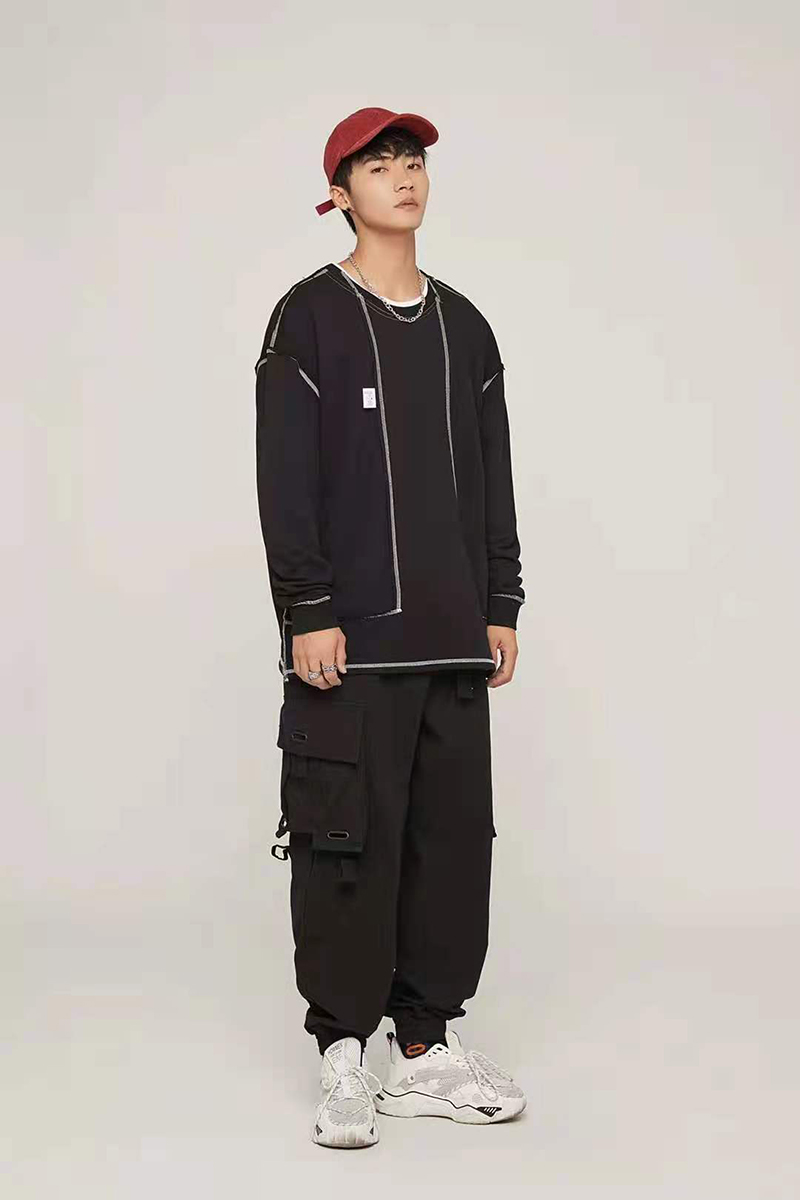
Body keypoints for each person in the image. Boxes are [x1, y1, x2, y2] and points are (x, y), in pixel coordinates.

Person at [254, 107, 527, 1148]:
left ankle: (423, 1047)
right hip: (351, 645)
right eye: (379, 164)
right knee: (344, 843)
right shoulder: (308, 318)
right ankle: (343, 1053)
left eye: (413, 160)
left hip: (455, 641)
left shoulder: (467, 327)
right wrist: (307, 610)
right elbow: (285, 479)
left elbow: (493, 476)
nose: (403, 175)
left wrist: (501, 601)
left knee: (450, 845)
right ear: (339, 193)